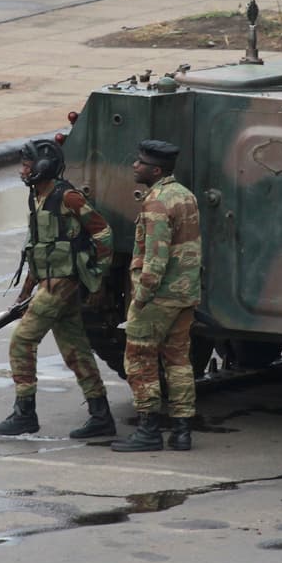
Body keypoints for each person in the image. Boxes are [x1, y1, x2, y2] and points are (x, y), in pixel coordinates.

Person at [0, 139, 116, 439]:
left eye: (27, 166)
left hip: (63, 283)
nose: (23, 171)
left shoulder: (67, 197)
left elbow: (103, 232)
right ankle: (101, 416)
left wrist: (96, 278)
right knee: (76, 350)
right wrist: (26, 290)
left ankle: (25, 413)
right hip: (50, 282)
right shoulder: (37, 196)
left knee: (22, 342)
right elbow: (38, 247)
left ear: (43, 167)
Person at [112, 140, 202, 453]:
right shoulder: (185, 195)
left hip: (158, 297)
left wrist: (141, 297)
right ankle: (182, 431)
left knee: (139, 358)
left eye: (141, 163)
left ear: (156, 170)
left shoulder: (157, 203)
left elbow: (156, 257)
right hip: (184, 294)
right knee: (178, 360)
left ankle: (148, 429)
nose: (135, 166)